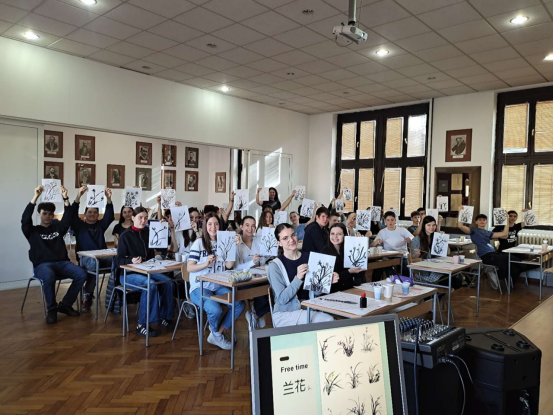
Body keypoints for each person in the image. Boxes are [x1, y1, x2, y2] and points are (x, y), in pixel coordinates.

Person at [22, 185, 87, 324]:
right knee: (49, 276)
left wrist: (65, 197)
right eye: (44, 213)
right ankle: (52, 309)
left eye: (50, 214)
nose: (48, 216)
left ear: (53, 215)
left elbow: (68, 217)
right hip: (42, 265)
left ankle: (66, 305)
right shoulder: (32, 231)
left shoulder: (58, 228)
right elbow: (25, 218)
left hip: (62, 263)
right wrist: (36, 196)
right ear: (39, 215)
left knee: (81, 274)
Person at [113, 207, 175, 337]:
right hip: (128, 274)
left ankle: (165, 317)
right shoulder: (125, 236)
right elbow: (118, 260)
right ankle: (142, 324)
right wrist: (131, 260)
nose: (143, 221)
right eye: (140, 217)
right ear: (133, 218)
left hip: (147, 270)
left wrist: (164, 229)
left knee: (168, 282)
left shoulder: (149, 232)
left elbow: (163, 248)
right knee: (150, 285)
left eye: (146, 218)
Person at [187, 213, 245, 350]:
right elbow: (189, 267)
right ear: (205, 226)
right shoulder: (199, 243)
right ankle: (215, 332)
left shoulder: (223, 241)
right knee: (215, 309)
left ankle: (217, 333)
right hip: (199, 287)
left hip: (218, 285)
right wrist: (205, 264)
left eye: (216, 224)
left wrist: (232, 246)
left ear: (220, 225)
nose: (213, 227)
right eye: (210, 224)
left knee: (239, 304)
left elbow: (229, 265)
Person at [267, 223, 335, 327]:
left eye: (293, 235)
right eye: (285, 238)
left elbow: (315, 292)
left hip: (308, 307)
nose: (291, 240)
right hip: (286, 313)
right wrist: (298, 278)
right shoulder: (275, 265)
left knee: (333, 318)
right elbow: (282, 299)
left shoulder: (309, 257)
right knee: (328, 320)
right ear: (279, 243)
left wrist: (326, 281)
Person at [71, 186, 115, 312]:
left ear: (98, 215)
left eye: (95, 212)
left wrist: (109, 199)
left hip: (102, 257)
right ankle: (88, 294)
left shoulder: (101, 225)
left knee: (118, 261)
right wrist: (78, 196)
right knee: (93, 263)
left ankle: (116, 292)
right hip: (85, 259)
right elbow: (72, 214)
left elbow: (109, 216)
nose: (92, 214)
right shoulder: (79, 225)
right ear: (85, 214)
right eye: (89, 212)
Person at [458, 212, 522, 285]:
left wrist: (506, 220)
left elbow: (505, 234)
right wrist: (460, 212)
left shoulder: (488, 233)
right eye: (480, 220)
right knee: (509, 260)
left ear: (486, 222)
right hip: (486, 255)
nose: (482, 221)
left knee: (513, 261)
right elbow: (460, 226)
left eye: (484, 220)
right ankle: (495, 274)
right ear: (476, 222)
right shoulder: (473, 230)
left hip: (494, 253)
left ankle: (500, 276)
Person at [235, 216, 271, 330]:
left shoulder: (258, 240)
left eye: (253, 226)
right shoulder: (236, 243)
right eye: (247, 225)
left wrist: (272, 239)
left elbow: (266, 256)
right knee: (263, 294)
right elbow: (236, 267)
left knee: (276, 293)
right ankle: (257, 314)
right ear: (241, 226)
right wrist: (252, 262)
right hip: (244, 280)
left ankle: (255, 315)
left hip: (260, 277)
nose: (250, 229)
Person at [322, 223, 366, 291]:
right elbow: (327, 278)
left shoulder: (350, 249)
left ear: (345, 235)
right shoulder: (325, 251)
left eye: (339, 234)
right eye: (332, 234)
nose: (335, 237)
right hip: (332, 290)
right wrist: (349, 271)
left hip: (349, 288)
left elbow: (359, 275)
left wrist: (360, 249)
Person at [372, 211, 413, 276]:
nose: (390, 222)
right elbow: (372, 245)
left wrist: (409, 239)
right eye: (388, 220)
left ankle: (405, 280)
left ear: (395, 220)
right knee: (389, 272)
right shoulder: (382, 232)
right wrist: (377, 242)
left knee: (406, 271)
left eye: (392, 220)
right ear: (385, 221)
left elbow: (411, 237)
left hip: (402, 255)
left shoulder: (402, 229)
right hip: (388, 256)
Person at [411, 216, 450, 283]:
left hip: (438, 267)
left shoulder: (436, 237)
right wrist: (416, 254)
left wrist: (444, 239)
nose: (431, 227)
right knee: (450, 280)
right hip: (424, 271)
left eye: (434, 225)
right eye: (428, 225)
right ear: (424, 226)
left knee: (454, 276)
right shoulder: (417, 239)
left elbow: (448, 252)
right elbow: (413, 259)